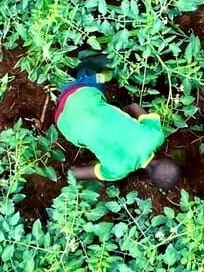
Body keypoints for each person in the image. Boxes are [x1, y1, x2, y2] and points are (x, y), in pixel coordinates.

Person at [51, 61, 180, 188]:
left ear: (166, 155)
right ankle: (57, 96)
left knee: (94, 75)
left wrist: (119, 114)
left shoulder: (155, 136)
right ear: (150, 179)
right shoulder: (117, 171)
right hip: (62, 122)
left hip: (80, 94)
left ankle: (66, 78)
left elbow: (134, 107)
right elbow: (75, 173)